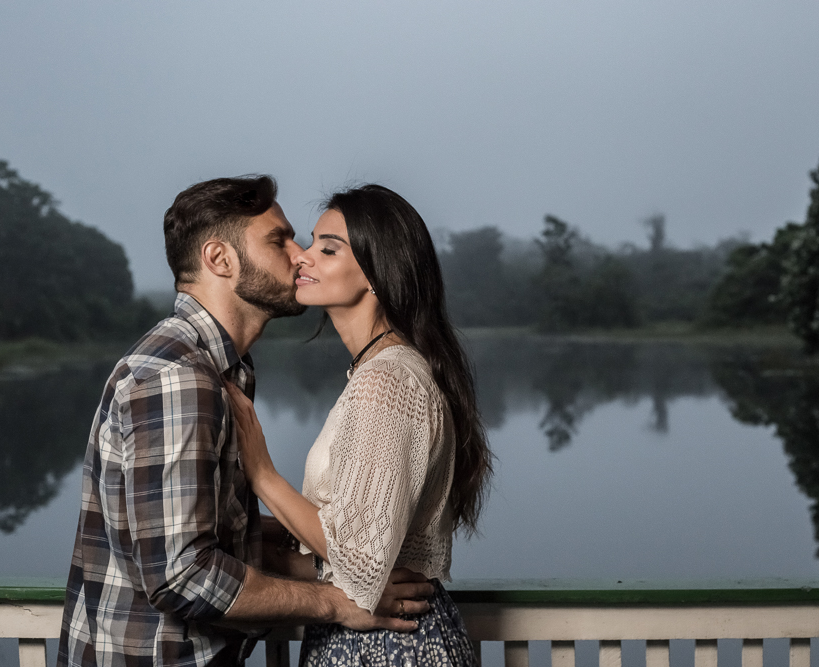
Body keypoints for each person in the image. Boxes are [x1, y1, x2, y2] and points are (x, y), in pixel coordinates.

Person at [58, 176, 434, 667]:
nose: (299, 254)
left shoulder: (225, 370)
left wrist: (333, 552)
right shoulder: (179, 379)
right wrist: (337, 602)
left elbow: (204, 527)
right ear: (220, 259)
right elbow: (182, 575)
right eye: (279, 240)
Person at [226, 183, 493, 667]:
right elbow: (348, 533)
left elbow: (361, 562)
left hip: (389, 645)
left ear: (376, 272)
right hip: (381, 638)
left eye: (328, 249)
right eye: (310, 243)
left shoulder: (386, 382)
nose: (302, 258)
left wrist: (262, 474)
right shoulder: (382, 372)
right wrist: (246, 531)